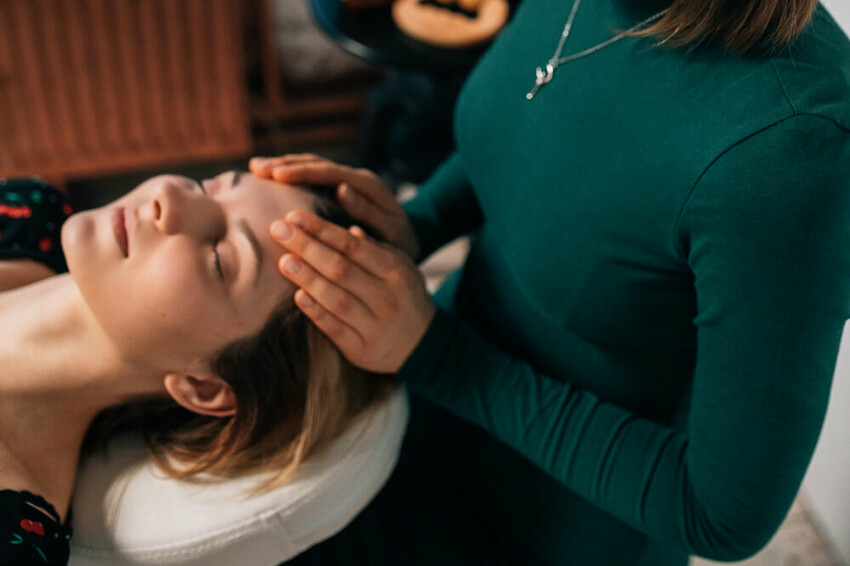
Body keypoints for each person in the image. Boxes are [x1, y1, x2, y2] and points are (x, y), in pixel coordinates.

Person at [249, 0, 850, 564]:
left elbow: (722, 514)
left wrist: (438, 355)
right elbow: (526, 124)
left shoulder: (794, 147)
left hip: (551, 523)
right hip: (426, 405)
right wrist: (410, 227)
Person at [0, 172, 393, 566]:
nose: (169, 196)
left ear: (204, 388)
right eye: (208, 187)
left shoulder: (19, 539)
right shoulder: (29, 212)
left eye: (220, 258)